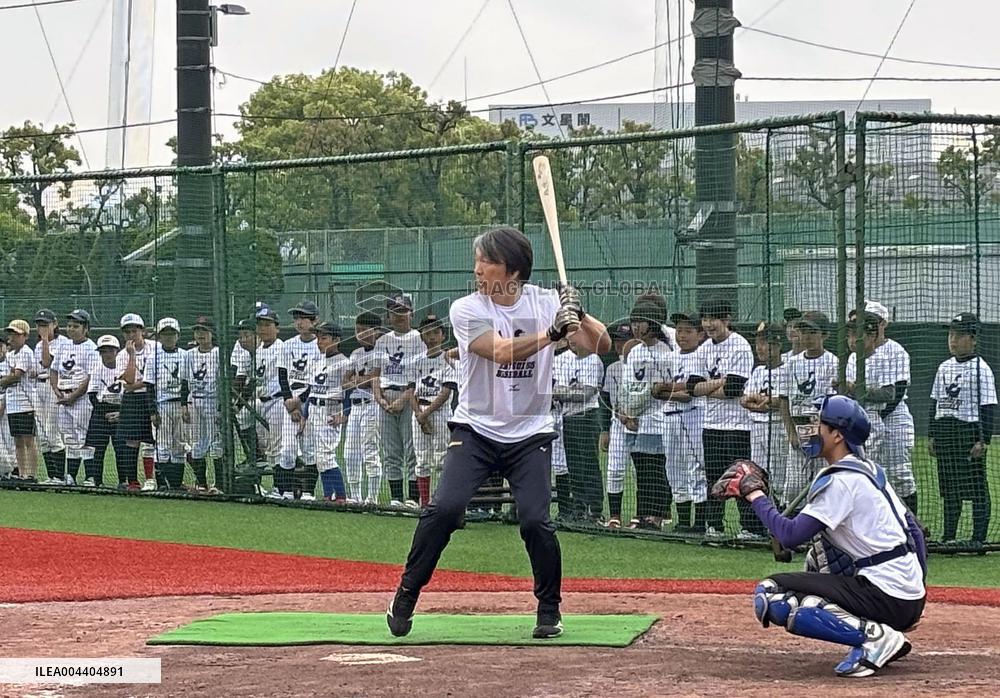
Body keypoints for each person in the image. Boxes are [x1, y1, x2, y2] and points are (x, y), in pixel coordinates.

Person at [386, 226, 609, 640]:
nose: (477, 269)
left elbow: (602, 345)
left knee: (536, 521)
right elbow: (502, 351)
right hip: (476, 430)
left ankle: (549, 608)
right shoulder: (466, 309)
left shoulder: (545, 301)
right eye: (477, 260)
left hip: (531, 433)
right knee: (445, 510)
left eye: (486, 261)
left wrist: (579, 310)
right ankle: (406, 594)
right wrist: (552, 333)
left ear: (513, 270)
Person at [713, 394, 926, 678]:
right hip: (905, 595)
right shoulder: (869, 470)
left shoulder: (841, 481)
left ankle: (875, 638)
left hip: (885, 592)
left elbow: (790, 536)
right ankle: (883, 630)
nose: (812, 428)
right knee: (817, 558)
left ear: (838, 435)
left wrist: (754, 494)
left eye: (819, 423)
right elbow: (915, 533)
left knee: (772, 594)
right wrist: (916, 594)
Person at [929, 312, 996, 545]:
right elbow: (935, 402)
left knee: (976, 487)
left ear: (973, 339)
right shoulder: (944, 367)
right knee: (950, 488)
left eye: (959, 336)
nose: (953, 341)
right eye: (951, 335)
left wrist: (983, 440)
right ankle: (949, 537)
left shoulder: (981, 369)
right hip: (945, 430)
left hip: (967, 431)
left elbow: (988, 406)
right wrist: (932, 434)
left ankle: (978, 538)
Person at [693, 298, 757, 538]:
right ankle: (714, 525)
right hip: (711, 424)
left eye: (714, 319)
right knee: (713, 477)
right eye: (705, 319)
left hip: (738, 425)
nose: (708, 324)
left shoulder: (740, 345)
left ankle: (750, 527)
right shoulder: (704, 348)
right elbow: (692, 388)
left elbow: (734, 389)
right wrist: (721, 381)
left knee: (742, 477)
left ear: (726, 320)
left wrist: (709, 387)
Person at [850, 300, 918, 513]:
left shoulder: (895, 350)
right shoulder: (853, 356)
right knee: (869, 473)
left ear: (882, 324)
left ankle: (911, 523)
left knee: (899, 474)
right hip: (868, 417)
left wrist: (877, 415)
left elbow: (897, 392)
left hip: (895, 418)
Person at [620, 297, 674, 530]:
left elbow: (661, 388)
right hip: (639, 422)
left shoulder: (666, 353)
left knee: (656, 469)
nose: (636, 327)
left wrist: (638, 402)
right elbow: (627, 385)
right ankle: (642, 514)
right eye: (633, 322)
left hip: (659, 421)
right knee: (641, 468)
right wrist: (626, 412)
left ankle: (657, 515)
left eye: (640, 322)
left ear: (653, 324)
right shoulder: (634, 352)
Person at [655, 311, 708, 532]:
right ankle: (683, 521)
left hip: (693, 415)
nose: (682, 335)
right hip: (669, 417)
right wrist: (667, 391)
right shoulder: (670, 356)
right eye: (679, 330)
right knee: (673, 468)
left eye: (688, 330)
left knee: (695, 466)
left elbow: (688, 394)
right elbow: (655, 389)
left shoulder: (702, 356)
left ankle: (700, 522)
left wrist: (666, 391)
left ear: (700, 334)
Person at [780, 311, 838, 511]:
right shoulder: (792, 363)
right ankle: (794, 524)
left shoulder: (833, 362)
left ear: (824, 335)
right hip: (799, 427)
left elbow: (834, 402)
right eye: (803, 331)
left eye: (813, 332)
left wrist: (825, 434)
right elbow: (784, 400)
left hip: (823, 429)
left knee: (823, 485)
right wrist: (791, 433)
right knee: (794, 487)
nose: (807, 337)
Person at [288, 321, 351, 502]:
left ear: (336, 340)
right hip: (314, 409)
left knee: (326, 455)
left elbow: (349, 392)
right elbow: (312, 392)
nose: (319, 342)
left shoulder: (344, 362)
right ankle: (328, 495)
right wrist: (305, 417)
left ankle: (340, 496)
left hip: (330, 409)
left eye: (324, 338)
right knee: (318, 456)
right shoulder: (317, 361)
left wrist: (345, 414)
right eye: (318, 338)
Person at [374, 293, 424, 508]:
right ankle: (396, 498)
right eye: (394, 312)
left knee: (412, 450)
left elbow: (421, 375)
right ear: (388, 315)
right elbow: (375, 374)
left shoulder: (419, 338)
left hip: (410, 397)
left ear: (411, 313)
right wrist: (380, 399)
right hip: (386, 397)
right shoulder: (382, 340)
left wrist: (404, 399)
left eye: (403, 311)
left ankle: (412, 498)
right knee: (391, 451)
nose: (399, 315)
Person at [553, 331, 605, 522]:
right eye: (569, 337)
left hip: (587, 416)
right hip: (568, 416)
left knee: (589, 463)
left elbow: (585, 394)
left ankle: (595, 510)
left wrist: (562, 393)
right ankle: (579, 508)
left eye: (576, 336)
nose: (571, 340)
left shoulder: (593, 359)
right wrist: (567, 391)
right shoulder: (562, 359)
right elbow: (554, 389)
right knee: (573, 465)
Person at [407, 314, 458, 508]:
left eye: (436, 332)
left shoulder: (448, 359)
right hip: (419, 410)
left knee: (442, 458)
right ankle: (425, 502)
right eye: (427, 333)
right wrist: (419, 415)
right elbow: (410, 390)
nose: (431, 337)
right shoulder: (416, 360)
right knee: (421, 458)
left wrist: (425, 415)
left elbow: (446, 392)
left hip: (439, 412)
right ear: (421, 336)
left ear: (443, 335)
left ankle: (440, 501)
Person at [279, 300, 323, 500]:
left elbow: (319, 379)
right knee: (287, 449)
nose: (299, 322)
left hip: (311, 400)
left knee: (310, 449)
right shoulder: (288, 344)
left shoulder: (320, 345)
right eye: (297, 318)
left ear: (315, 320)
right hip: (290, 401)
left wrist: (299, 401)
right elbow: (282, 375)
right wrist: (289, 401)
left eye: (304, 318)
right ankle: (287, 491)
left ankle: (308, 492)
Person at [741, 321, 788, 507]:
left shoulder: (787, 368)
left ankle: (782, 515)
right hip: (756, 427)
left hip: (776, 427)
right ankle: (765, 518)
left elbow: (781, 400)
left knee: (779, 478)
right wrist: (763, 402)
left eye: (764, 343)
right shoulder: (758, 370)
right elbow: (745, 399)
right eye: (757, 343)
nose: (759, 348)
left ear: (777, 345)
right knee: (759, 476)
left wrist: (766, 401)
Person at [243, 305, 288, 498]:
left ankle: (281, 488)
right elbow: (254, 380)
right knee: (265, 446)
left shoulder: (282, 348)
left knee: (277, 446)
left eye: (267, 325)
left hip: (278, 401)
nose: (263, 329)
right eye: (260, 325)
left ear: (277, 328)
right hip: (261, 402)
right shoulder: (259, 350)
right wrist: (240, 403)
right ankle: (258, 463)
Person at [49, 310, 97, 485]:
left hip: (81, 398)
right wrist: (57, 390)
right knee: (69, 437)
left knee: (83, 436)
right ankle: (71, 476)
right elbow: (53, 370)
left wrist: (73, 396)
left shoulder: (91, 347)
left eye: (76, 326)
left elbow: (90, 376)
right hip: (63, 396)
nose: (71, 329)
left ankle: (90, 476)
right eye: (69, 326)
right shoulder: (64, 345)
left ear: (86, 328)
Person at [342, 311, 385, 505]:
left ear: (376, 331)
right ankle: (355, 496)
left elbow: (372, 379)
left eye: (364, 330)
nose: (360, 334)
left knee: (370, 450)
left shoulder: (382, 351)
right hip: (355, 406)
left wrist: (358, 380)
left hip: (372, 404)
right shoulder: (356, 353)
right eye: (357, 330)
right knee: (350, 452)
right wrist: (359, 380)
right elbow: (345, 382)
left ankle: (372, 497)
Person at [117, 313, 158, 491]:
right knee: (131, 441)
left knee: (153, 440)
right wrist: (132, 355)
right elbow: (128, 382)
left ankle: (152, 479)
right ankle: (133, 481)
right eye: (127, 332)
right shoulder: (122, 355)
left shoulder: (155, 348)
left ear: (143, 331)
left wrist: (142, 384)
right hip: (133, 399)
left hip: (152, 396)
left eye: (134, 331)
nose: (131, 335)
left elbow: (156, 378)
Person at [600, 323, 635, 528]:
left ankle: (644, 515)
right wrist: (605, 429)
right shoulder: (612, 368)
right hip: (618, 424)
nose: (620, 345)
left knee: (641, 471)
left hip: (641, 423)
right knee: (614, 469)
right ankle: (614, 515)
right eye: (618, 341)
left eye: (625, 340)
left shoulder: (644, 362)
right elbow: (605, 400)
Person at [35, 309, 72, 483]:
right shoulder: (37, 345)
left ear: (54, 324)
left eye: (45, 324)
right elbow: (37, 368)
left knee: (52, 432)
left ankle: (59, 475)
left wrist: (44, 340)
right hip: (39, 387)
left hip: (53, 387)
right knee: (42, 436)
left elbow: (47, 362)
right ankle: (51, 476)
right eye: (39, 325)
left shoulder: (63, 342)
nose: (42, 328)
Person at [186, 316, 221, 492]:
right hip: (194, 401)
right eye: (197, 330)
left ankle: (219, 484)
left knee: (217, 443)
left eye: (204, 330)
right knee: (197, 443)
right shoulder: (189, 354)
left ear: (212, 333)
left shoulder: (219, 353)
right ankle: (201, 483)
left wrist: (222, 407)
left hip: (213, 401)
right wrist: (184, 405)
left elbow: (225, 381)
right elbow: (184, 381)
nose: (200, 334)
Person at [85, 335, 124, 487]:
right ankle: (97, 482)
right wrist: (104, 412)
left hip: (120, 409)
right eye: (103, 351)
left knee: (120, 449)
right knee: (99, 449)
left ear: (116, 351)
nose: (107, 354)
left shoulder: (124, 367)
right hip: (101, 411)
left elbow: (128, 392)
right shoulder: (97, 370)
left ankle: (123, 481)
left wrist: (122, 413)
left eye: (110, 350)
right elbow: (92, 395)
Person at [1, 321, 37, 482]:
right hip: (12, 403)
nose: (12, 337)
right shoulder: (10, 355)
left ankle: (31, 475)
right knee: (17, 441)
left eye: (16, 334)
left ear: (25, 336)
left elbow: (16, 375)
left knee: (28, 440)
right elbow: (8, 376)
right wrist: (6, 379)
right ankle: (22, 474)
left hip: (25, 403)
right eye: (11, 334)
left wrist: (4, 380)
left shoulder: (26, 352)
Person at [230, 318, 259, 464]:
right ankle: (255, 455)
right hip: (259, 399)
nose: (243, 340)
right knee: (242, 417)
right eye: (240, 337)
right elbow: (240, 379)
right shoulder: (246, 354)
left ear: (257, 335)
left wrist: (238, 405)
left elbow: (252, 384)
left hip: (276, 400)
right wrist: (231, 401)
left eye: (246, 335)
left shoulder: (265, 351)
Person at [0, 335, 18, 480]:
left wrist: (3, 403)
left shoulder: (11, 362)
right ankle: (5, 472)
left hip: (9, 406)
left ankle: (15, 471)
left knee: (11, 439)